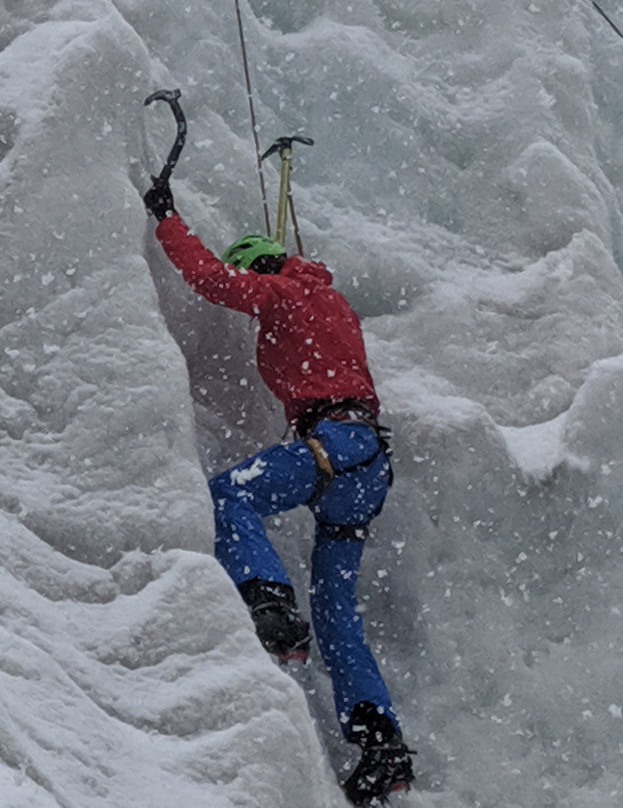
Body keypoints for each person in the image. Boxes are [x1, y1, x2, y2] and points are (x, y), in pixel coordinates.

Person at [143, 176, 415, 805]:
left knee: (228, 494)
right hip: (367, 463)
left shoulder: (284, 292)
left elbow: (213, 280)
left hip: (334, 444)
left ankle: (270, 606)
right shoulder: (330, 299)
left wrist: (167, 219)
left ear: (261, 267)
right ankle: (382, 748)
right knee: (337, 616)